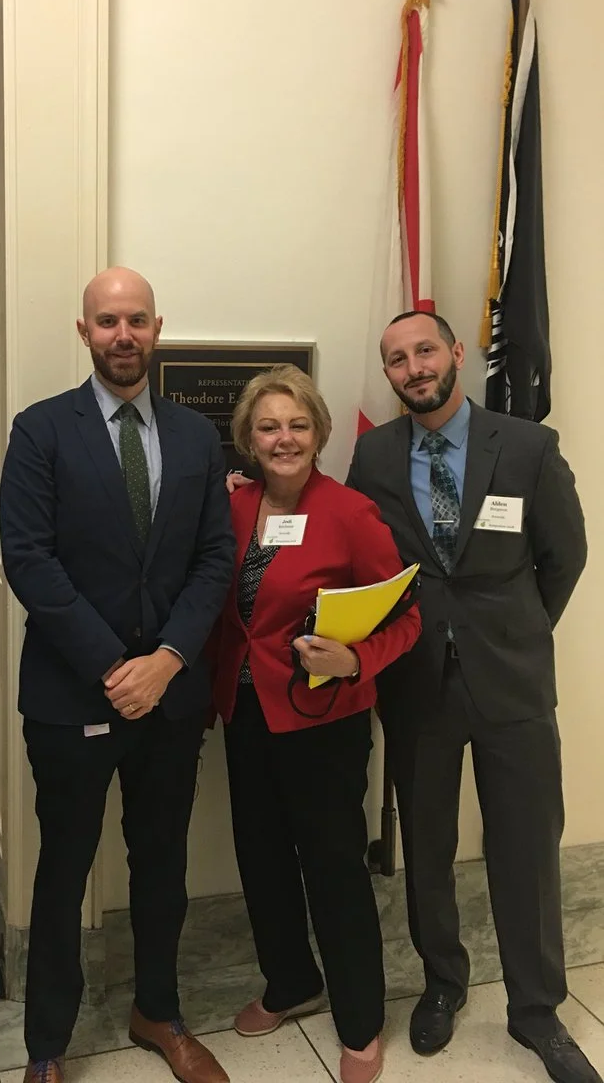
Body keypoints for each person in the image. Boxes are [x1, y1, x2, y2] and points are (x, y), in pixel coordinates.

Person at [346, 311, 597, 1083]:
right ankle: (443, 985)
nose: (414, 368)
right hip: (415, 681)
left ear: (457, 353)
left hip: (512, 679)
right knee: (425, 845)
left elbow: (565, 556)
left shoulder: (526, 446)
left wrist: (513, 631)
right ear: (388, 374)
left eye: (425, 350)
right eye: (397, 359)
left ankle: (536, 1008)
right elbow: (359, 553)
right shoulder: (374, 454)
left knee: (526, 844)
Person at [0, 267, 235, 1083]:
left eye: (137, 319)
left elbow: (215, 558)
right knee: (63, 870)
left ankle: (157, 1012)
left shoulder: (197, 436)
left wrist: (166, 661)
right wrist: (114, 666)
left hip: (170, 698)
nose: (123, 335)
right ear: (84, 331)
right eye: (107, 321)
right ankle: (46, 1046)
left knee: (161, 862)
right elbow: (29, 561)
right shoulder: (40, 431)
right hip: (72, 696)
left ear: (158, 328)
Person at [213, 365, 420, 1083]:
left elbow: (406, 616)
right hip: (245, 711)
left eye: (298, 425)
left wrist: (358, 659)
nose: (285, 438)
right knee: (261, 857)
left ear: (320, 433)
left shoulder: (351, 513)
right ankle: (291, 982)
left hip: (323, 718)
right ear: (248, 439)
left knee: (333, 870)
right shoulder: (234, 506)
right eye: (269, 426)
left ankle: (361, 1022)